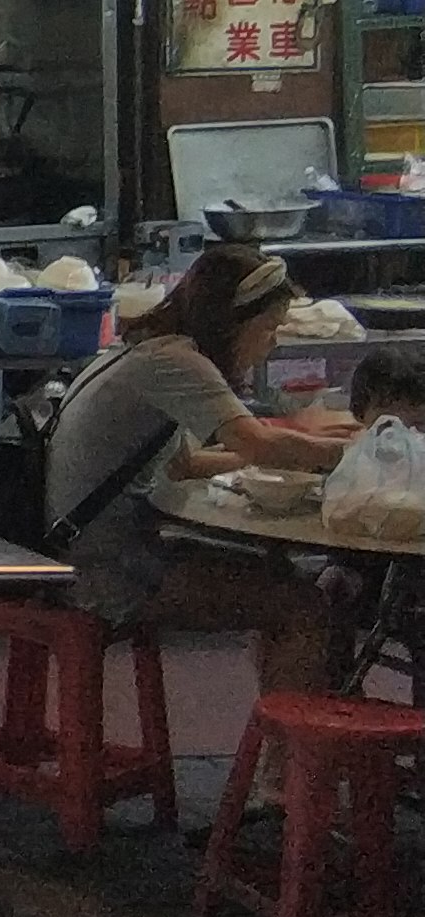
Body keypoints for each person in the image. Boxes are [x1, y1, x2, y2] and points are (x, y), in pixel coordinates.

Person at [44, 246, 351, 689]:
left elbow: (185, 463)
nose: (272, 342)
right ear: (230, 322)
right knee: (304, 606)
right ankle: (293, 757)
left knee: (287, 579)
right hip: (105, 571)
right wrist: (350, 454)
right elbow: (258, 443)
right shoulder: (175, 361)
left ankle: (294, 746)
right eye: (268, 327)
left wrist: (313, 447)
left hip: (79, 549)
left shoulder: (142, 348)